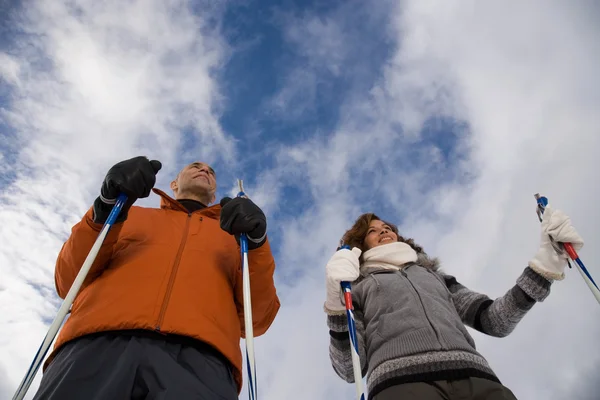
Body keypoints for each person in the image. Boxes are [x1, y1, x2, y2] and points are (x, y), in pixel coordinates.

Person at [33, 156, 280, 400]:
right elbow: (69, 279)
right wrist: (106, 206)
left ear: (214, 195)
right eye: (195, 166)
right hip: (95, 343)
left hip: (201, 359)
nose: (204, 170)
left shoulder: (237, 240)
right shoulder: (128, 214)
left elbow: (256, 318)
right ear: (174, 184)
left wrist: (256, 243)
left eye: (210, 171)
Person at [324, 208, 584, 400]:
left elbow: (494, 320)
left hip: (477, 379)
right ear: (360, 242)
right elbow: (350, 368)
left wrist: (545, 267)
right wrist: (337, 303)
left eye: (388, 227)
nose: (384, 230)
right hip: (400, 385)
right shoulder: (356, 286)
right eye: (372, 230)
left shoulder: (434, 276)